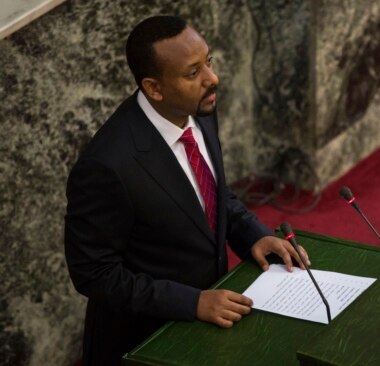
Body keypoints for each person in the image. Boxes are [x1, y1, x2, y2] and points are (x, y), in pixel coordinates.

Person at [64, 15, 310, 365]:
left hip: (213, 323)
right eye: (192, 73)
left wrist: (252, 235)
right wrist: (191, 302)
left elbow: (212, 193)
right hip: (146, 340)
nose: (213, 79)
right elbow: (95, 274)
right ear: (154, 88)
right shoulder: (107, 165)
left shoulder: (200, 108)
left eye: (208, 61)